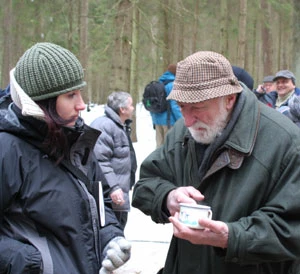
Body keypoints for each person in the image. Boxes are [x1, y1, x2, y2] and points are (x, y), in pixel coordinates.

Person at [132, 51, 300, 274]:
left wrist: (231, 237)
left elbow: (292, 227)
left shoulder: (286, 143)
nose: (188, 120)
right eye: (182, 106)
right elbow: (146, 184)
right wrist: (167, 197)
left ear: (229, 99)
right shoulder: (183, 132)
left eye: (198, 108)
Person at [0, 42, 131, 274]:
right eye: (71, 95)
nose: (82, 104)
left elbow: (101, 201)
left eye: (80, 92)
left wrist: (110, 236)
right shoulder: (7, 150)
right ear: (43, 103)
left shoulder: (77, 141)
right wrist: (30, 262)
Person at [90, 91, 137, 231]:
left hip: (119, 194)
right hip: (110, 197)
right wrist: (113, 187)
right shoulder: (105, 126)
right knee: (112, 233)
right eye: (131, 105)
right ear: (122, 109)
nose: (133, 108)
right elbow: (100, 160)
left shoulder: (119, 126)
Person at [150, 64, 182, 147]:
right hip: (169, 122)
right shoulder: (172, 85)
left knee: (159, 148)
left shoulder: (159, 83)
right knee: (170, 148)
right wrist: (182, 121)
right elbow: (174, 105)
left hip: (157, 121)